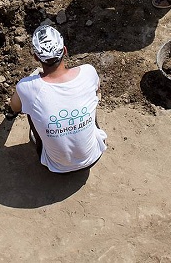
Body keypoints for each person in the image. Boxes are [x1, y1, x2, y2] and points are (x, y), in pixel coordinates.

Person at [9, 24, 108, 173]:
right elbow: (97, 92)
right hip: (94, 156)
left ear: (36, 57)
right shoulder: (88, 72)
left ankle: (40, 143)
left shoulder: (27, 87)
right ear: (65, 51)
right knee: (91, 99)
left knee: (29, 110)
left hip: (56, 166)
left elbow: (15, 107)